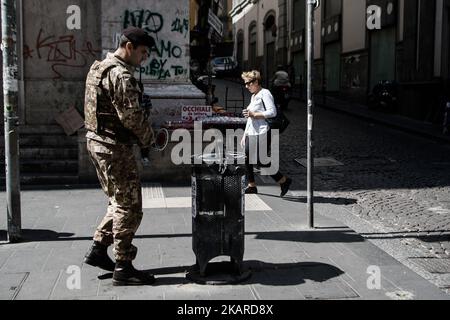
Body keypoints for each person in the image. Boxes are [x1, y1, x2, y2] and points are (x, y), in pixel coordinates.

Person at [83, 27, 156, 286]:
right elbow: (131, 117)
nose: (144, 58)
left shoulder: (98, 68)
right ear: (129, 47)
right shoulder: (120, 74)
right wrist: (151, 140)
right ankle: (123, 265)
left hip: (96, 142)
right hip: (114, 148)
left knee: (117, 201)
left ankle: (98, 249)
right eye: (143, 52)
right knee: (130, 206)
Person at [240, 70, 292, 196]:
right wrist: (244, 134)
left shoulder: (265, 93)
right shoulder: (254, 96)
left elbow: (272, 112)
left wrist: (255, 114)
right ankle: (252, 185)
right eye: (245, 84)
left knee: (260, 159)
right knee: (247, 157)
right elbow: (250, 118)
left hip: (264, 130)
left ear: (256, 81)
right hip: (252, 131)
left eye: (248, 83)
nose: (246, 86)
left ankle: (283, 180)